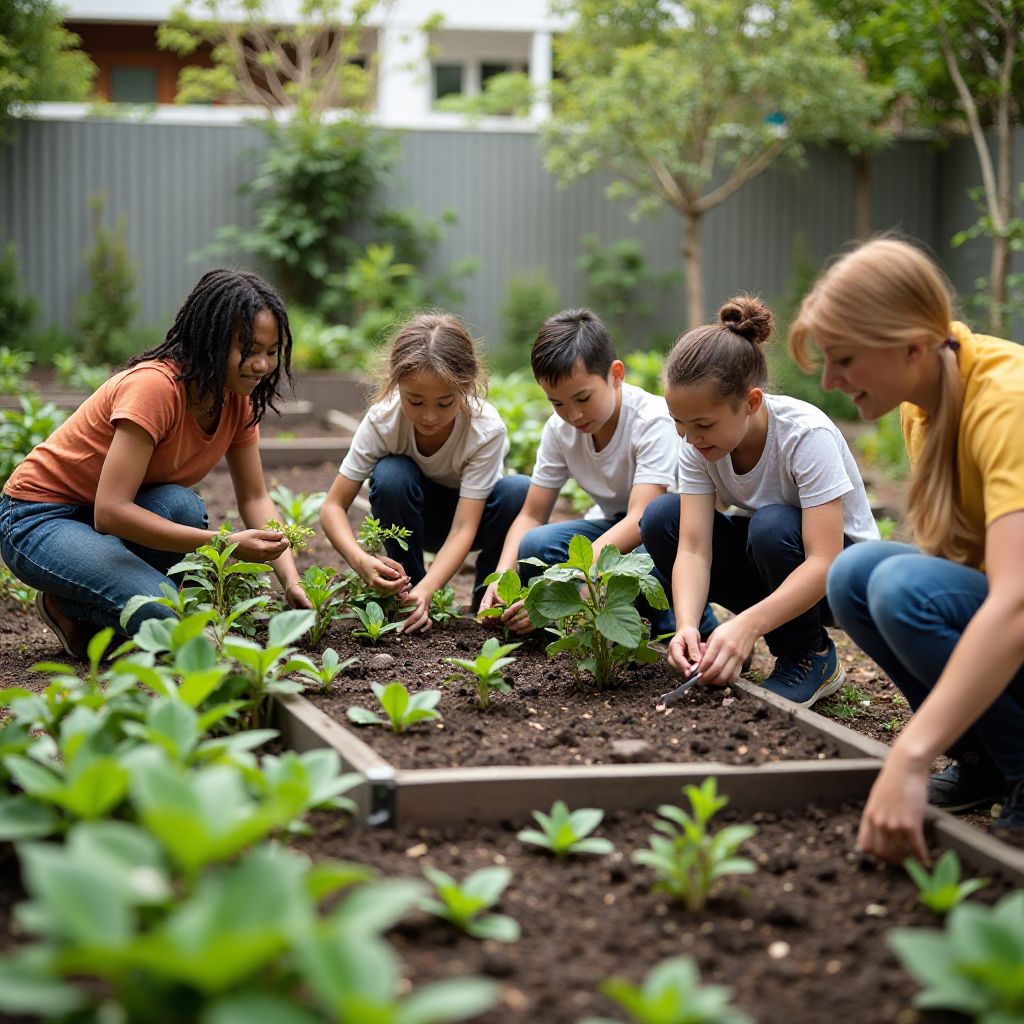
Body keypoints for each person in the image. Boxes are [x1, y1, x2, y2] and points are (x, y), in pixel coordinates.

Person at [791, 237, 1024, 860]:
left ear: (912, 347)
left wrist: (913, 750)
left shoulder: (1006, 404)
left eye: (843, 359)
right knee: (854, 574)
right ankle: (986, 761)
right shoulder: (922, 404)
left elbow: (1015, 604)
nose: (830, 380)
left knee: (899, 587)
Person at [0, 268, 311, 658]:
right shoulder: (155, 388)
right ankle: (67, 603)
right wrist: (224, 544)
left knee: (183, 508)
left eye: (271, 351)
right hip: (38, 519)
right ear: (209, 341)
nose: (262, 365)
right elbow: (110, 513)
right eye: (248, 350)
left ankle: (82, 601)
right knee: (166, 615)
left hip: (95, 519)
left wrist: (291, 580)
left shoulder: (237, 399)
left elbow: (254, 498)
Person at [640, 295, 878, 707]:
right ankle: (724, 639)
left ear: (751, 402)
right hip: (777, 565)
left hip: (842, 578)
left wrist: (747, 624)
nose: (688, 437)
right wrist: (686, 625)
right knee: (663, 517)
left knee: (771, 525)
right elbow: (694, 547)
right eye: (679, 422)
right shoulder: (697, 444)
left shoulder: (805, 435)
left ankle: (811, 656)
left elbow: (824, 560)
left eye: (703, 424)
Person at [479, 307, 689, 635]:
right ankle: (594, 612)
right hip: (610, 528)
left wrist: (562, 582)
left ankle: (686, 623)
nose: (573, 415)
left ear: (616, 375)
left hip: (663, 536)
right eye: (557, 403)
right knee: (534, 544)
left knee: (646, 563)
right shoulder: (558, 431)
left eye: (583, 398)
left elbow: (640, 518)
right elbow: (531, 515)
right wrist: (506, 574)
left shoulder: (652, 421)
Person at [319, 311, 528, 633]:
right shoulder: (383, 420)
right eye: (415, 401)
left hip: (471, 522)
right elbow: (333, 507)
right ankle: (408, 594)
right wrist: (360, 561)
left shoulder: (485, 429)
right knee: (391, 474)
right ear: (396, 383)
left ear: (467, 386)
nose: (429, 416)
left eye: (445, 403)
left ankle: (485, 601)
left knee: (517, 490)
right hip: (413, 518)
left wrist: (433, 589)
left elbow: (463, 528)